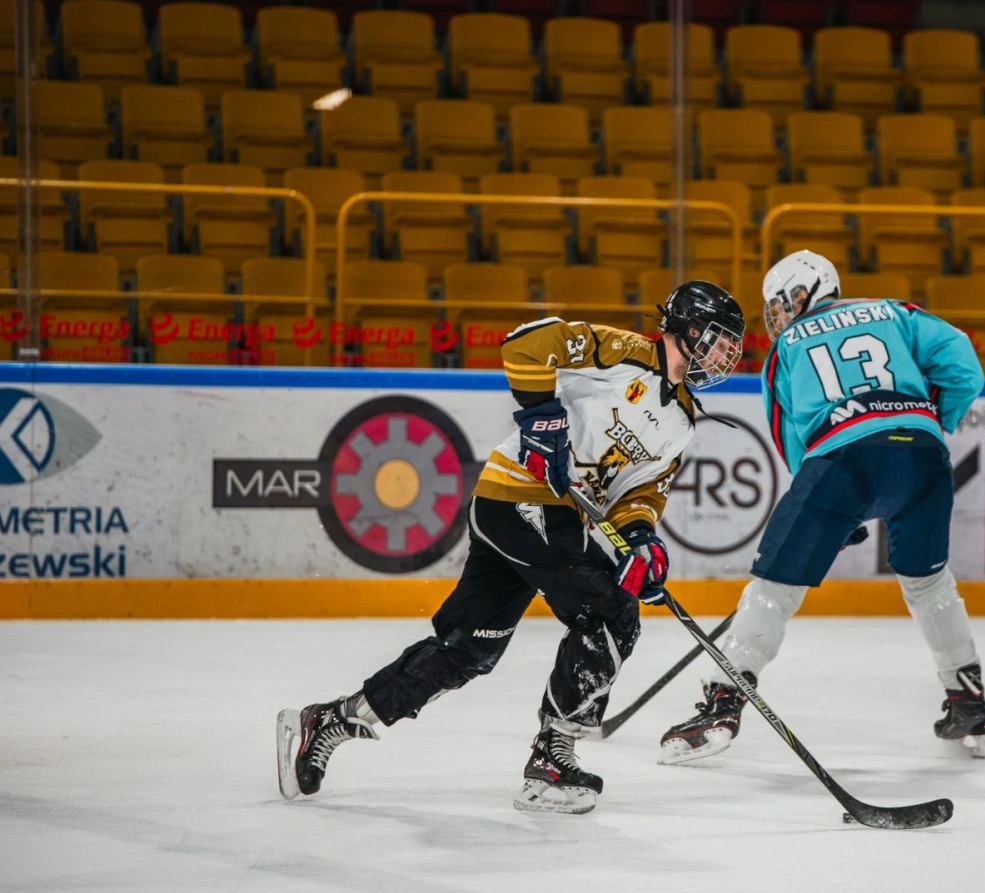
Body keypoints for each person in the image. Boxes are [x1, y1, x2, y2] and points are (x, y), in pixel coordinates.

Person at [277, 282, 746, 814]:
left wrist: (641, 540)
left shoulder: (682, 423)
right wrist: (542, 415)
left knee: (466, 651)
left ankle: (332, 721)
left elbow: (639, 494)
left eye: (730, 346)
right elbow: (526, 343)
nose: (724, 355)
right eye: (718, 340)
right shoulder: (622, 352)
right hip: (518, 498)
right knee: (611, 612)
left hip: (546, 519)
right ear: (686, 327)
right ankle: (552, 759)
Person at [658, 249, 985, 764]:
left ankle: (723, 703)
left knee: (774, 587)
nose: (779, 315)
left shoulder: (785, 349)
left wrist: (837, 516)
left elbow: (794, 444)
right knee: (930, 584)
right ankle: (968, 700)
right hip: (924, 459)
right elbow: (964, 365)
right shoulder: (895, 310)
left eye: (782, 301)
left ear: (807, 292)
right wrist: (933, 423)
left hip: (842, 462)